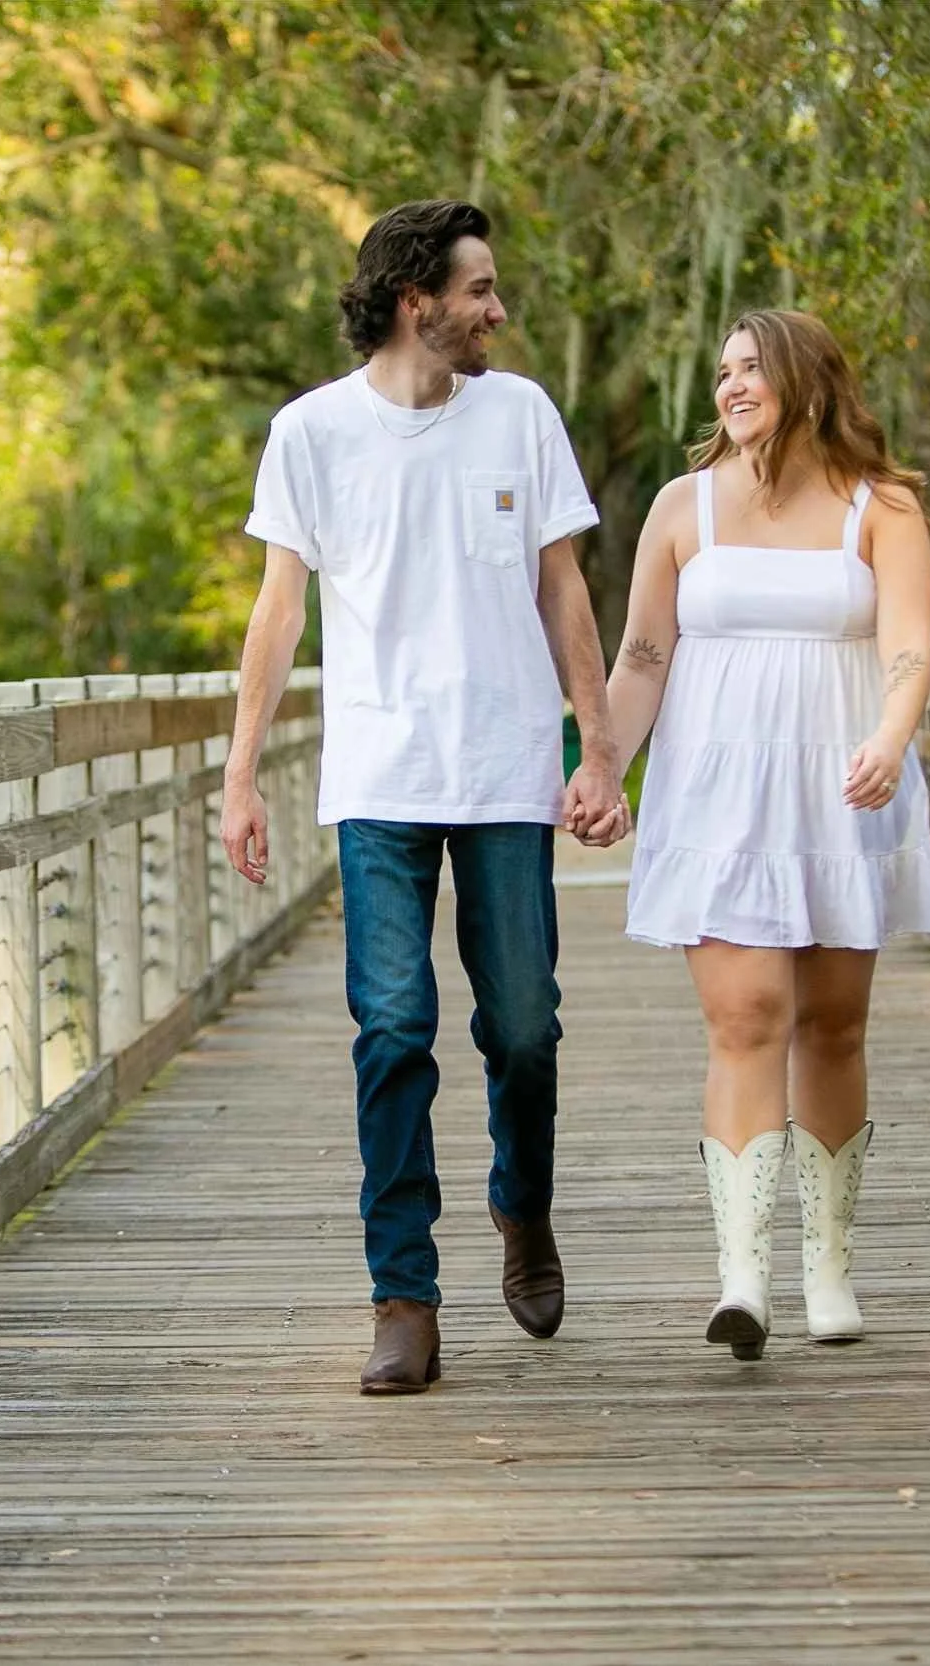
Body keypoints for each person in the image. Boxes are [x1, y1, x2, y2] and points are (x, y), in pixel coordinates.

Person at [218, 199, 623, 1395]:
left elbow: (564, 593)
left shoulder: (522, 415)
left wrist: (596, 751)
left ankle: (523, 1206)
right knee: (392, 1030)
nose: (498, 309)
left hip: (504, 771)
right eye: (481, 289)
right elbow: (277, 611)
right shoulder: (310, 435)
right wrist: (238, 773)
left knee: (525, 1029)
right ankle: (403, 1294)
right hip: (380, 778)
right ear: (416, 301)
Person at [589, 308, 930, 1362]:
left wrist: (889, 736)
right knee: (746, 1013)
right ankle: (741, 1274)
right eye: (722, 371)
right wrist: (602, 762)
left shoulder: (882, 507)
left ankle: (827, 1263)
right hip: (717, 793)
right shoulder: (679, 507)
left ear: (805, 377)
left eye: (750, 368)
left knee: (831, 1023)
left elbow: (910, 648)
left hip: (841, 789)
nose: (730, 386)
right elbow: (644, 656)